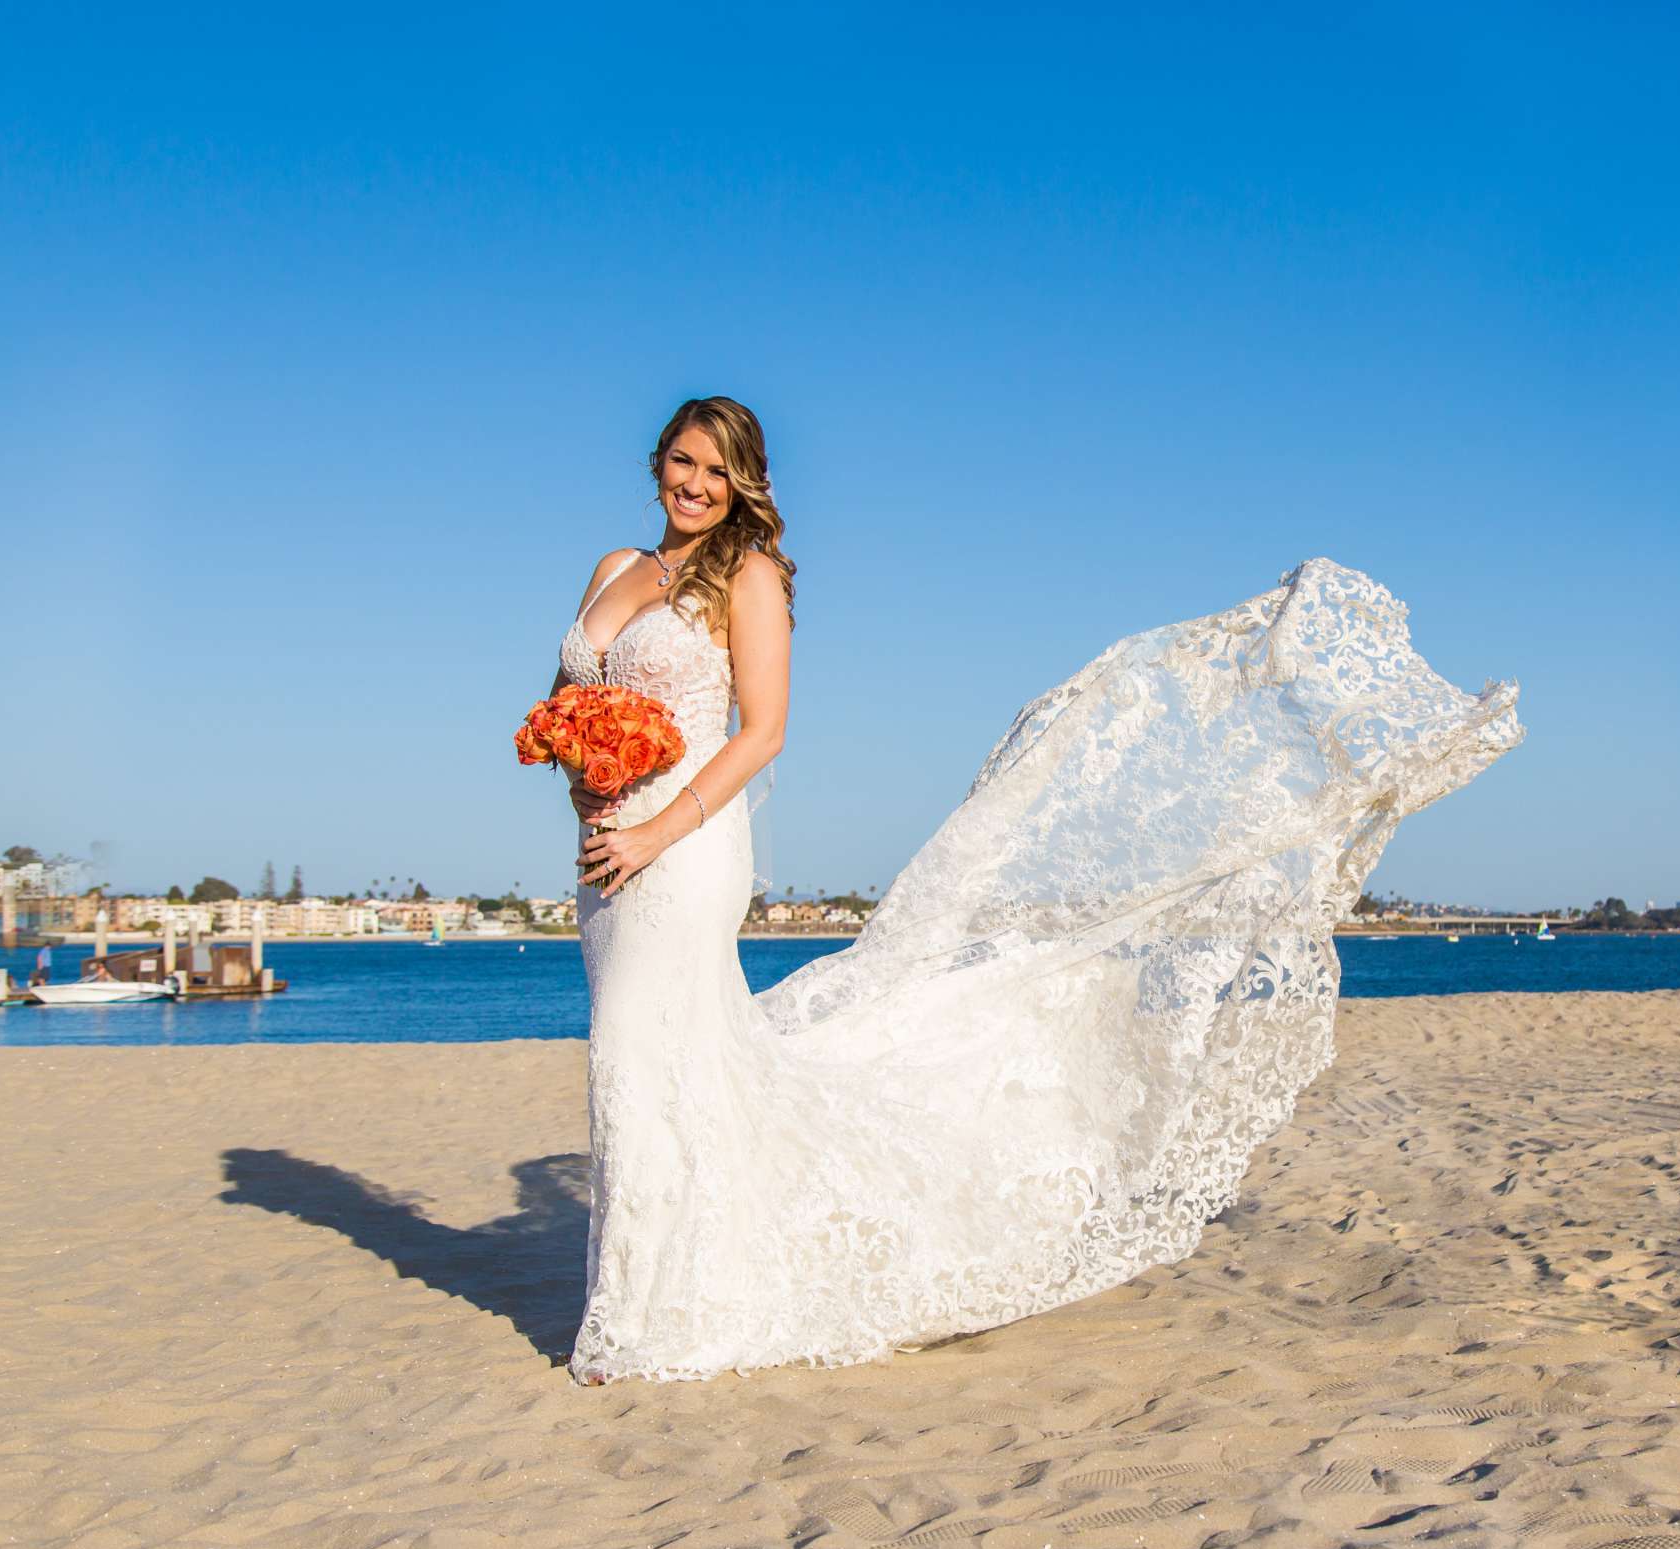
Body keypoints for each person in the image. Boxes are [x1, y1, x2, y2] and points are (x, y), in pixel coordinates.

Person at [556, 396, 1521, 1384]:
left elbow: (762, 730)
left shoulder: (745, 576)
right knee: (650, 1057)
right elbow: (571, 694)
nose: (695, 484)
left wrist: (658, 829)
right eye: (683, 461)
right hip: (604, 850)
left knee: (639, 1052)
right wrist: (574, 758)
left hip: (680, 844)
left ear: (744, 482)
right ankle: (662, 1281)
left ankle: (646, 1316)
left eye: (718, 471)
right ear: (656, 462)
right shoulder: (615, 572)